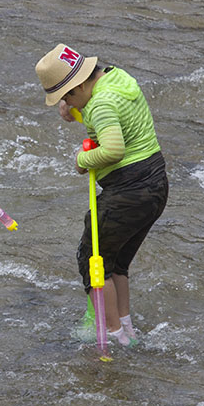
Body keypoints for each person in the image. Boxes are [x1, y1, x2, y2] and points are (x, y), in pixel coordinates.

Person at [34, 44, 169, 347]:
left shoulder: (100, 104)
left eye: (67, 95)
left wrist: (82, 162)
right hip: (155, 184)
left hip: (128, 190)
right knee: (116, 262)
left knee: (91, 259)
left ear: (79, 85)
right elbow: (116, 123)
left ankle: (110, 334)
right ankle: (125, 328)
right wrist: (77, 112)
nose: (67, 102)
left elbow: (113, 149)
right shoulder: (116, 79)